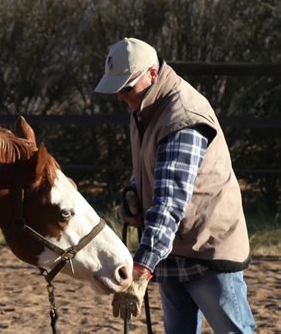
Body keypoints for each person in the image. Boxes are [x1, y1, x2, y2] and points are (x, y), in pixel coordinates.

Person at [94, 38, 255, 333]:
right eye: (117, 89)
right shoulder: (145, 107)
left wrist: (141, 271)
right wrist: (134, 191)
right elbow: (151, 165)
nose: (121, 96)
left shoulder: (182, 118)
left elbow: (169, 202)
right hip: (171, 251)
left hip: (207, 250)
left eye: (127, 87)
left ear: (152, 75)